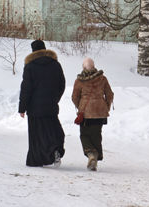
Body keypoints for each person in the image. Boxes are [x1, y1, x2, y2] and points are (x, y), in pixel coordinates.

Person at [18, 39, 66, 167]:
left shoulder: (30, 66)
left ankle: (38, 159)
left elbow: (26, 88)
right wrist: (55, 98)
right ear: (44, 49)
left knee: (37, 135)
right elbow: (62, 84)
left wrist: (22, 108)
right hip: (51, 105)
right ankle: (55, 149)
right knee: (53, 130)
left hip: (34, 108)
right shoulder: (55, 64)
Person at [71, 57, 114, 171]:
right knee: (96, 135)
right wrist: (106, 106)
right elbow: (109, 94)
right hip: (100, 112)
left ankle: (91, 154)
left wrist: (79, 106)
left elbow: (74, 97)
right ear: (94, 67)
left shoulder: (80, 81)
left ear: (83, 67)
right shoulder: (102, 79)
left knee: (84, 135)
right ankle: (95, 157)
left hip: (85, 113)